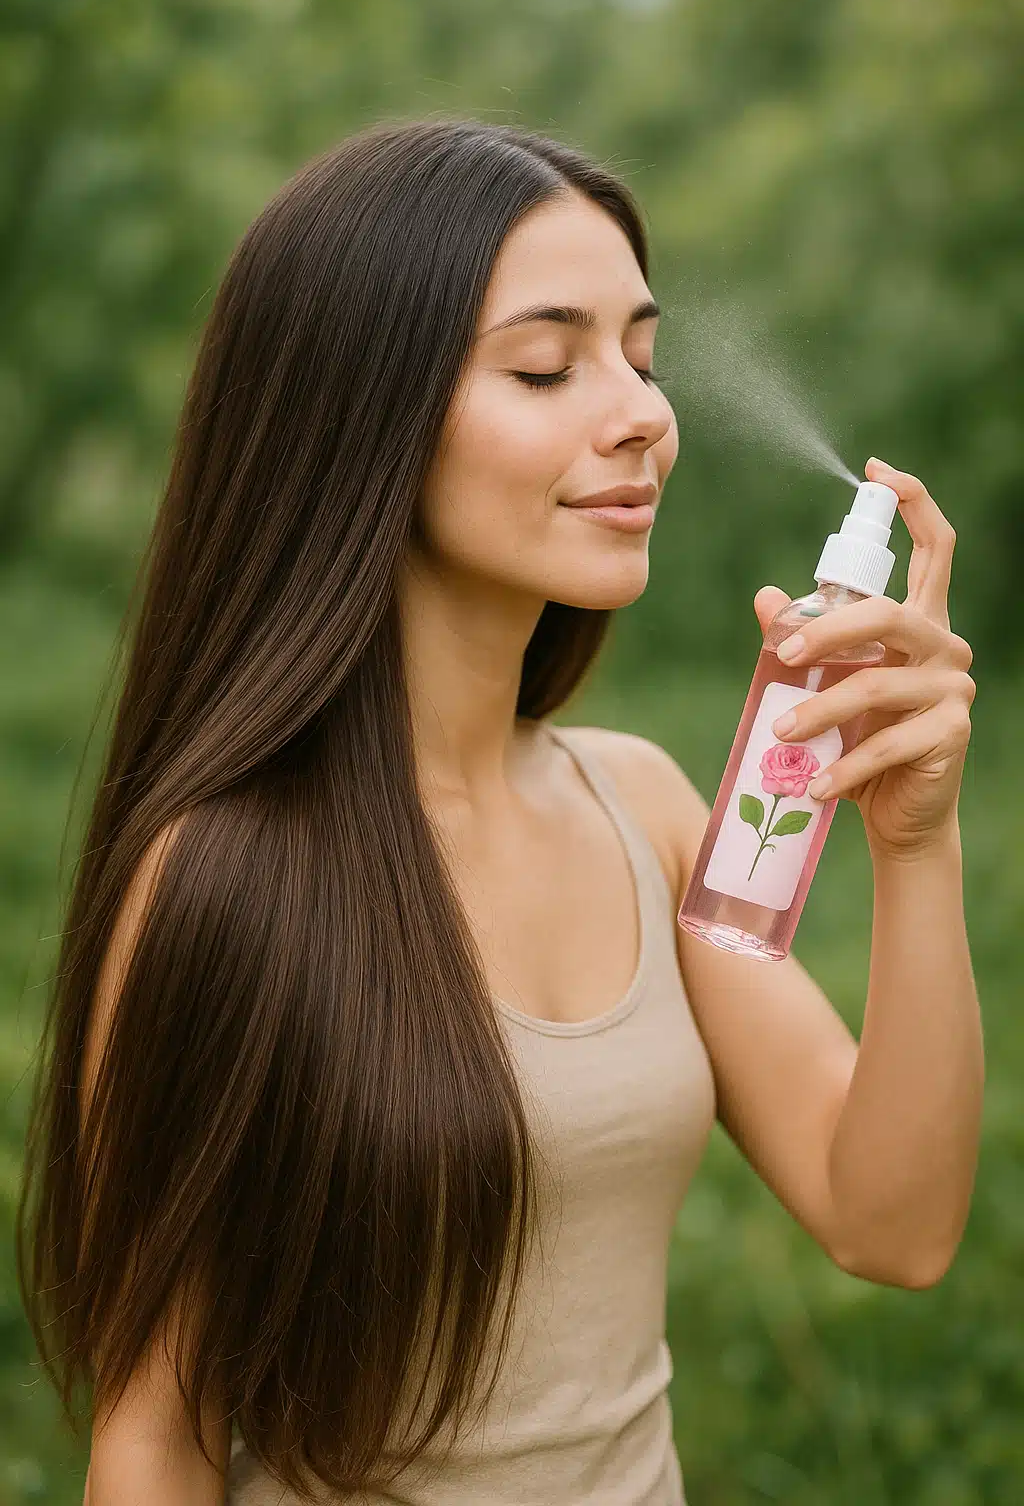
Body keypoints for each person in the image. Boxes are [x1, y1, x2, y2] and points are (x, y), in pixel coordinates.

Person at [16, 117, 982, 1506]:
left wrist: (914, 842)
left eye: (642, 358)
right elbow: (154, 1434)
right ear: (363, 419)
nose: (642, 412)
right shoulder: (226, 874)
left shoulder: (644, 806)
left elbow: (892, 1221)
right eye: (547, 364)